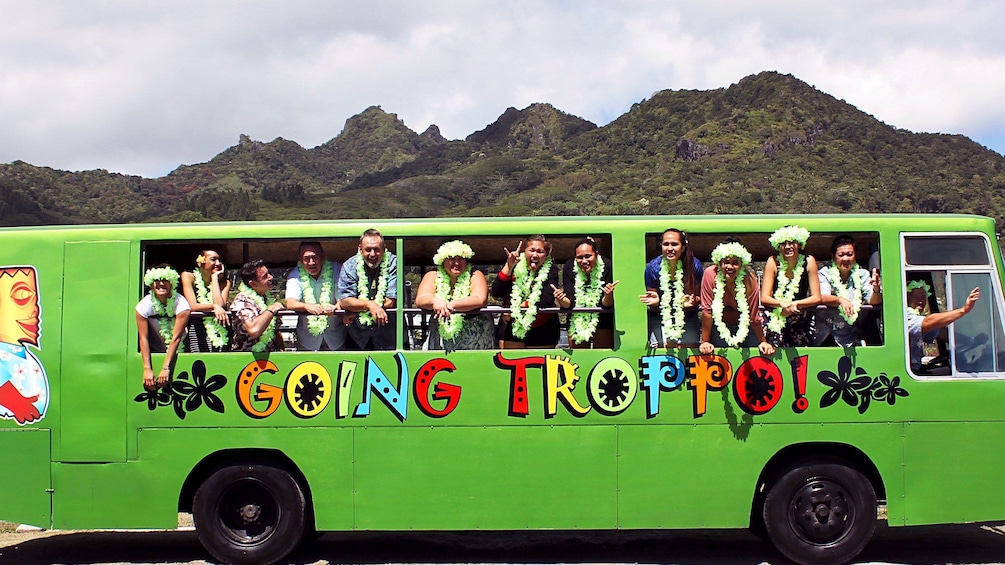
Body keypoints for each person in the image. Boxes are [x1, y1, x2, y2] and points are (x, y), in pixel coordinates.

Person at [414, 240, 494, 352]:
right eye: (451, 258)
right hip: (441, 329)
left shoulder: (475, 274)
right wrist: (435, 301)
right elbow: (421, 299)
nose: (457, 263)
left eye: (460, 258)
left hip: (475, 332)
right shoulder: (432, 274)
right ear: (442, 260)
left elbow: (480, 299)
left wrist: (452, 305)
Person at [699, 239, 775, 356]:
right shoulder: (710, 274)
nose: (730, 266)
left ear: (741, 265)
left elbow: (754, 316)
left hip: (746, 327)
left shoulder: (750, 279)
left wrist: (762, 342)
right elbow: (707, 311)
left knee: (758, 354)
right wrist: (705, 341)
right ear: (719, 263)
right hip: (719, 326)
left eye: (735, 262)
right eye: (726, 262)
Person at [491, 235, 561, 348]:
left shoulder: (551, 269)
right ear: (525, 251)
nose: (535, 255)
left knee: (538, 364)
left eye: (540, 251)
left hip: (543, 326)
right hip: (513, 324)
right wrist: (509, 266)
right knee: (512, 363)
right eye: (531, 250)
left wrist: (518, 307)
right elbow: (497, 292)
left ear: (546, 255)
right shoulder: (516, 263)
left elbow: (547, 298)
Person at [639, 228, 703, 348]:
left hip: (687, 316)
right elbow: (652, 297)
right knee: (665, 350)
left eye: (674, 244)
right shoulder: (653, 268)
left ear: (683, 247)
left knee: (688, 354)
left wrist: (694, 301)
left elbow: (699, 297)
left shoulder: (694, 266)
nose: (669, 248)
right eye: (665, 244)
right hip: (660, 316)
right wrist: (655, 302)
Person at [815, 236, 883, 347]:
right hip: (826, 335)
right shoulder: (824, 273)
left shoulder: (863, 274)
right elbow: (822, 296)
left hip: (854, 335)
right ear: (833, 256)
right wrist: (840, 300)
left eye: (850, 254)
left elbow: (873, 301)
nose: (846, 259)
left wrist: (876, 289)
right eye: (841, 255)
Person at [760, 225, 820, 347]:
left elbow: (817, 297)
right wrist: (782, 304)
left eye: (791, 242)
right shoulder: (773, 262)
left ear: (799, 244)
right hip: (777, 317)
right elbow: (765, 297)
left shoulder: (809, 261)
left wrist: (795, 304)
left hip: (799, 319)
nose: (787, 246)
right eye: (783, 243)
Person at [554, 237, 618, 348]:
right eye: (579, 258)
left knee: (601, 358)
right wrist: (561, 299)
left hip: (602, 317)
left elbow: (607, 304)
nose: (584, 261)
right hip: (576, 320)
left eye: (588, 256)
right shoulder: (569, 267)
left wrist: (608, 295)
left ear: (596, 255)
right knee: (578, 360)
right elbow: (569, 303)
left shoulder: (607, 265)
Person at [339, 229, 398, 350]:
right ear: (360, 249)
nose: (372, 254)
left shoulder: (393, 263)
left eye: (376, 249)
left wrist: (356, 309)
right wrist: (370, 305)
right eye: (368, 249)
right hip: (358, 337)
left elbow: (390, 301)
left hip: (390, 337)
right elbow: (345, 301)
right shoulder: (349, 266)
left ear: (384, 248)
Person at [905, 280, 980, 372]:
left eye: (923, 297)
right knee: (958, 372)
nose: (920, 301)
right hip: (910, 371)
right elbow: (927, 322)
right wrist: (964, 310)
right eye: (915, 297)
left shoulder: (916, 317)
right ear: (907, 299)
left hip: (916, 368)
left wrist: (971, 340)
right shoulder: (905, 316)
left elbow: (941, 333)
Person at [136, 265, 191, 390]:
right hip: (154, 348)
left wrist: (166, 368)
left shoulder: (181, 304)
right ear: (151, 284)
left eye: (165, 280)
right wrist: (147, 369)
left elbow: (176, 338)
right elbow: (143, 338)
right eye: (157, 280)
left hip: (180, 346)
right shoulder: (143, 306)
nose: (161, 284)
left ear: (171, 283)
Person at [285, 242, 346, 351]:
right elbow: (290, 303)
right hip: (307, 340)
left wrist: (336, 307)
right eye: (306, 258)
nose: (311, 262)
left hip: (335, 338)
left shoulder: (337, 269)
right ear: (300, 259)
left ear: (322, 256)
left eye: (315, 257)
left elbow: (343, 298)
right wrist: (307, 306)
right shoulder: (295, 275)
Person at [180, 249, 230, 351]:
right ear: (200, 262)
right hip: (196, 326)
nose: (218, 263)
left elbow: (220, 304)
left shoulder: (225, 283)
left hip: (218, 327)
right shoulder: (188, 276)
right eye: (213, 259)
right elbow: (192, 306)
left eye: (219, 260)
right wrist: (213, 307)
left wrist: (215, 278)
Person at [230, 260, 285, 353]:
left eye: (269, 274)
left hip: (271, 358)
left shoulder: (267, 298)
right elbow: (254, 330)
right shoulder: (242, 301)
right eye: (265, 276)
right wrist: (271, 309)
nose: (270, 277)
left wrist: (282, 351)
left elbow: (275, 332)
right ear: (253, 284)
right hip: (246, 358)